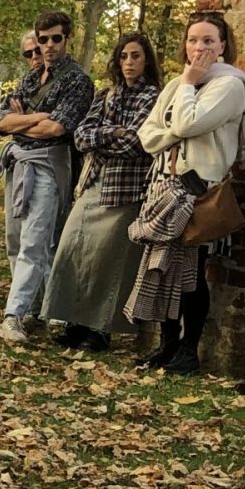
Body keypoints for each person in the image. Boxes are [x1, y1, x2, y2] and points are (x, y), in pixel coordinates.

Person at [127, 11, 245, 375]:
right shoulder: (176, 83)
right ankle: (167, 344)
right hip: (164, 184)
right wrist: (176, 125)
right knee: (163, 267)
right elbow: (148, 135)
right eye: (192, 40)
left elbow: (187, 122)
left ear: (222, 46)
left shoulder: (230, 85)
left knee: (192, 271)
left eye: (207, 41)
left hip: (199, 189)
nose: (198, 48)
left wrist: (189, 85)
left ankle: (189, 349)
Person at [39, 33, 161, 352]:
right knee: (74, 252)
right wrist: (111, 133)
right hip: (93, 182)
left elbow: (137, 142)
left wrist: (103, 138)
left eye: (135, 56)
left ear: (146, 60)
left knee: (109, 261)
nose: (129, 63)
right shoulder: (107, 94)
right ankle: (72, 320)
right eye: (123, 56)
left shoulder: (154, 97)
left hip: (127, 190)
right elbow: (81, 136)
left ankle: (100, 328)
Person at [0, 11, 95, 343]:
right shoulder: (30, 78)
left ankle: (14, 315)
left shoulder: (77, 80)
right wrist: (36, 118)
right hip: (18, 163)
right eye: (42, 39)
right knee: (15, 240)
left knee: (36, 242)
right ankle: (40, 308)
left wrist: (24, 123)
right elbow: (1, 123)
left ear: (67, 39)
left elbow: (58, 128)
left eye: (55, 38)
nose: (48, 45)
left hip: (50, 166)